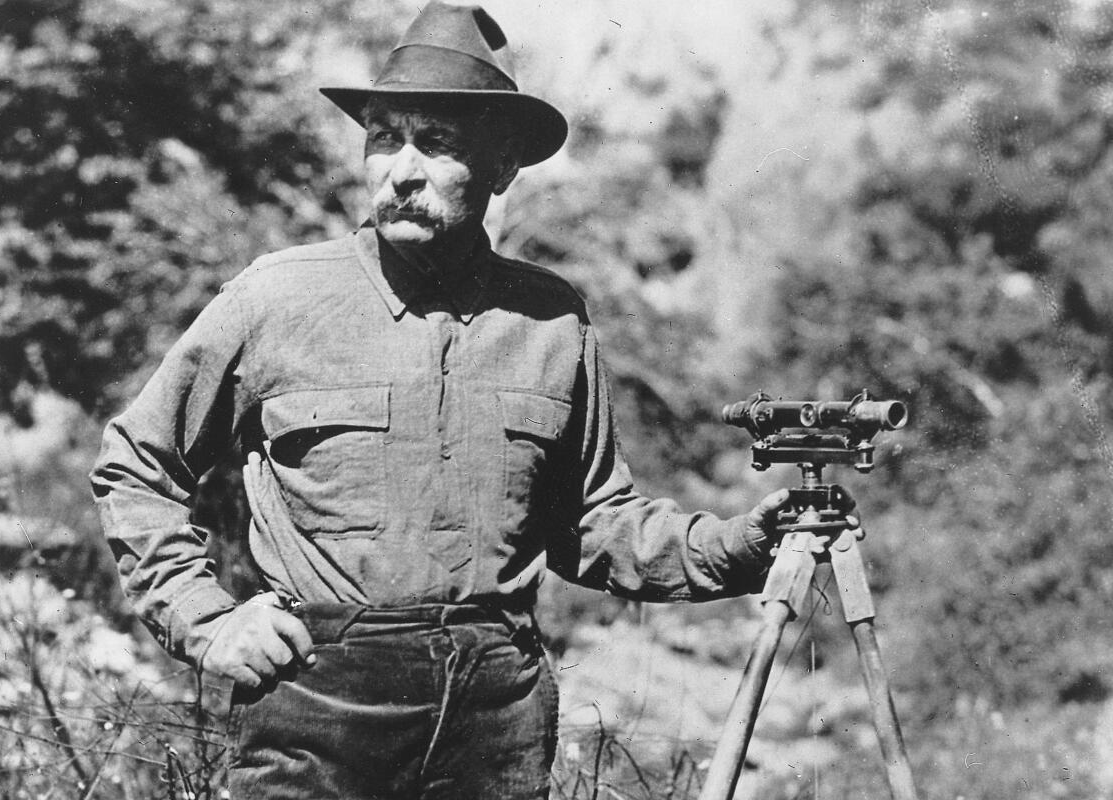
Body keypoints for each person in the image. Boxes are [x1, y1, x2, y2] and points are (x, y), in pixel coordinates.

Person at [90, 4, 796, 798]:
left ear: (501, 169)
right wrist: (207, 617)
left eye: (439, 143)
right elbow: (135, 464)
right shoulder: (275, 297)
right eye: (385, 137)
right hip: (319, 701)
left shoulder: (551, 321)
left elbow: (592, 522)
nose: (402, 169)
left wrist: (739, 544)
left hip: (495, 713)